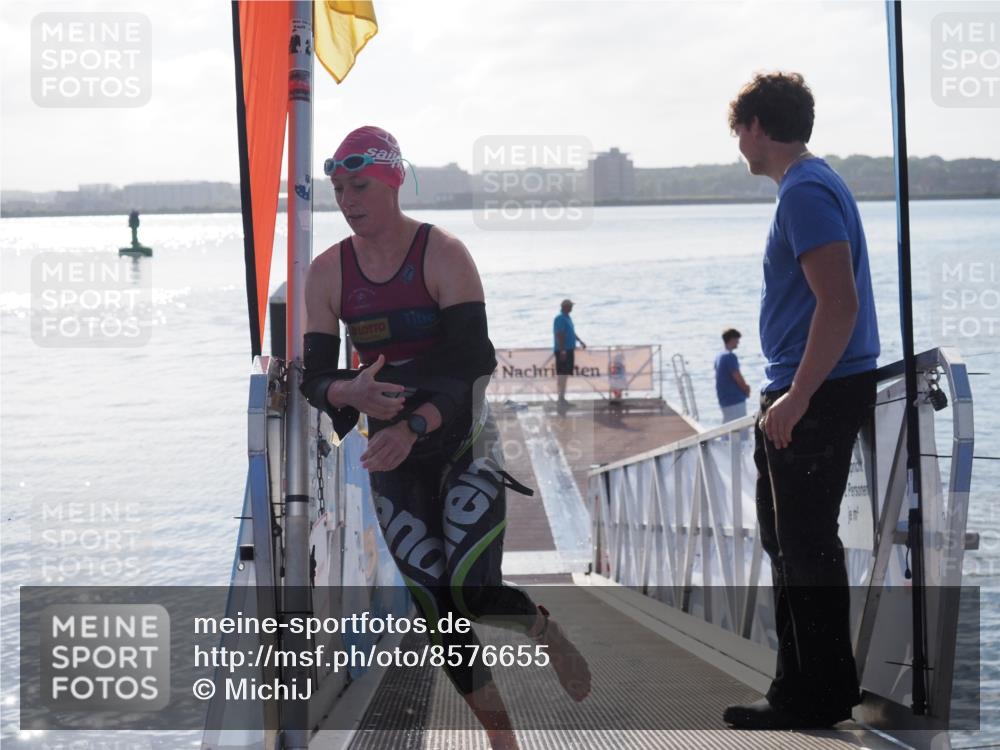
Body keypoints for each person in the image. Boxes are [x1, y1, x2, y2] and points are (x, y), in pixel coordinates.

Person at [299, 126, 590, 749]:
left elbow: (474, 363)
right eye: (339, 189)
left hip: (462, 442)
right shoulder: (327, 273)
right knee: (436, 607)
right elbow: (314, 379)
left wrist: (415, 424)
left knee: (472, 592)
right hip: (392, 455)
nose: (348, 200)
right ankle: (502, 738)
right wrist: (348, 392)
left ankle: (542, 629)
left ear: (394, 181)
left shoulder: (443, 254)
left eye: (360, 186)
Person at [722, 73, 880, 729]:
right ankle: (815, 687)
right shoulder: (814, 184)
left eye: (738, 130)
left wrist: (797, 397)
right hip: (816, 387)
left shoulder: (805, 191)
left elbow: (838, 303)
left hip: (814, 391)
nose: (738, 143)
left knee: (803, 545)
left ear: (758, 127)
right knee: (794, 542)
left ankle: (807, 696)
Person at [553, 299, 586, 411]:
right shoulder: (560, 318)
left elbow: (571, 332)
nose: (572, 308)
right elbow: (559, 334)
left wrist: (579, 341)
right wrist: (562, 350)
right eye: (570, 306)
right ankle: (560, 399)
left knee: (565, 375)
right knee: (562, 375)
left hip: (569, 350)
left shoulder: (568, 318)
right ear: (565, 307)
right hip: (563, 350)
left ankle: (562, 398)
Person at [714, 328, 751, 422]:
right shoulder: (729, 356)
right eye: (737, 340)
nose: (738, 342)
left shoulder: (719, 356)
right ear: (732, 339)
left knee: (728, 426)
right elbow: (737, 377)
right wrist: (746, 389)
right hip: (734, 400)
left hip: (724, 399)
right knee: (741, 427)